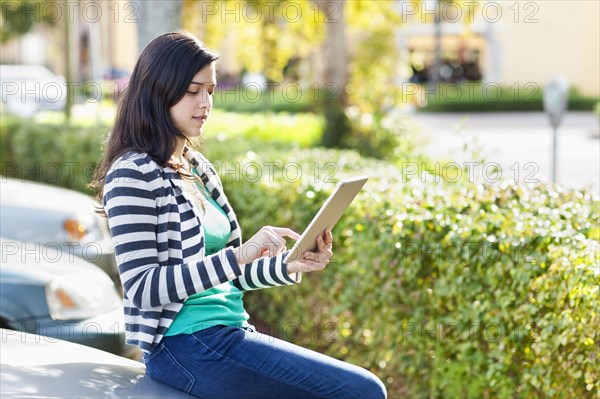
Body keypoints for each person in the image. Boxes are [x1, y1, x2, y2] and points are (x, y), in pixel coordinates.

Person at [91, 31, 386, 399]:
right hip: (185, 346)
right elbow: (143, 287)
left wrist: (290, 265)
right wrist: (239, 254)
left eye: (211, 91)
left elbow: (229, 279)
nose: (205, 103)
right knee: (362, 391)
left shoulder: (197, 167)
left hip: (229, 333)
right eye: (192, 91)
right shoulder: (132, 172)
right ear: (158, 91)